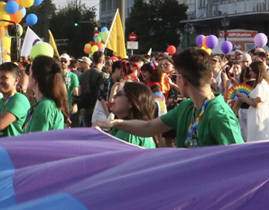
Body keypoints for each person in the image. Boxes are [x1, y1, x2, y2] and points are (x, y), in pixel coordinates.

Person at [97, 47, 242, 148]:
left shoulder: (220, 115)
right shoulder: (186, 107)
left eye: (177, 75)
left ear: (182, 80)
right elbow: (149, 127)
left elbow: (241, 159)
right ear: (210, 77)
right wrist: (116, 123)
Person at [23, 55, 69, 133]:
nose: (28, 76)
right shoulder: (42, 103)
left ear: (36, 78)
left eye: (30, 73)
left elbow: (35, 142)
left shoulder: (45, 106)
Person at [106, 81, 158, 148]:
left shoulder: (129, 131)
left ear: (131, 102)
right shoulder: (130, 127)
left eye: (119, 94)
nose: (113, 96)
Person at [236, 60, 269, 142]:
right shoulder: (261, 84)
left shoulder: (260, 85)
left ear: (257, 71)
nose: (250, 73)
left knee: (257, 141)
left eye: (252, 71)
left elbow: (256, 104)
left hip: (259, 117)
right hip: (257, 116)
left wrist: (242, 96)